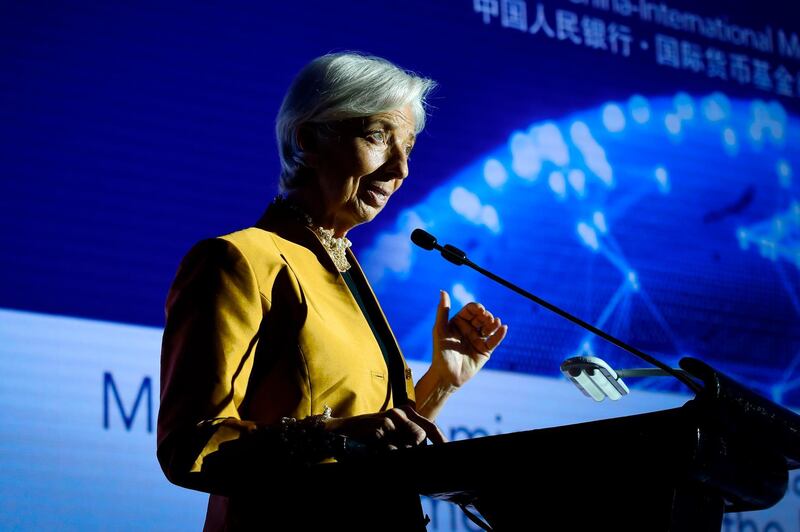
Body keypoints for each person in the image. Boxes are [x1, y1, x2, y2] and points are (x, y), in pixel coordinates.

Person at [157, 52, 508, 531]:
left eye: (408, 147)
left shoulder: (347, 269)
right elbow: (189, 447)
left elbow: (375, 441)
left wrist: (442, 381)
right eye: (378, 137)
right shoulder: (239, 259)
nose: (400, 168)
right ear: (308, 140)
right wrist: (325, 436)